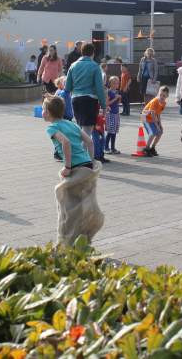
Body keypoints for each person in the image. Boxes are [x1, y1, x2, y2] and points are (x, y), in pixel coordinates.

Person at [42, 95, 103, 245]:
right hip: (87, 166)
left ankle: (67, 241)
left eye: (43, 109)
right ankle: (83, 237)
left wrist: (67, 167)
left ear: (49, 113)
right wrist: (91, 161)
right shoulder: (72, 124)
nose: (42, 112)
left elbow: (66, 143)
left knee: (68, 206)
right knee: (82, 203)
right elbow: (89, 141)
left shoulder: (52, 128)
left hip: (75, 168)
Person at [65, 42, 106, 141]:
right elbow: (99, 88)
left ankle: (79, 152)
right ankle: (82, 155)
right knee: (87, 131)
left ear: (81, 52)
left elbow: (67, 87)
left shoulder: (73, 65)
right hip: (89, 100)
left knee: (80, 128)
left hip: (75, 99)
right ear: (93, 53)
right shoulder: (95, 66)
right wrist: (103, 105)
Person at [141, 85, 169, 157]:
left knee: (160, 132)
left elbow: (158, 114)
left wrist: (160, 125)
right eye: (160, 95)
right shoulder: (155, 101)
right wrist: (157, 125)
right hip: (146, 118)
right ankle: (146, 149)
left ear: (167, 96)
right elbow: (153, 114)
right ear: (158, 93)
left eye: (164, 96)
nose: (162, 97)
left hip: (153, 118)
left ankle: (152, 148)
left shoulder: (163, 103)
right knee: (152, 133)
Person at [105, 76, 121, 154]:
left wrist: (119, 99)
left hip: (116, 113)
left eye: (117, 83)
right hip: (110, 114)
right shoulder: (109, 92)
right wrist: (115, 98)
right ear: (110, 84)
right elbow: (107, 103)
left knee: (114, 131)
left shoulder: (116, 92)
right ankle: (106, 147)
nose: (116, 85)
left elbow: (117, 104)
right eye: (114, 83)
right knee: (110, 131)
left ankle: (113, 148)